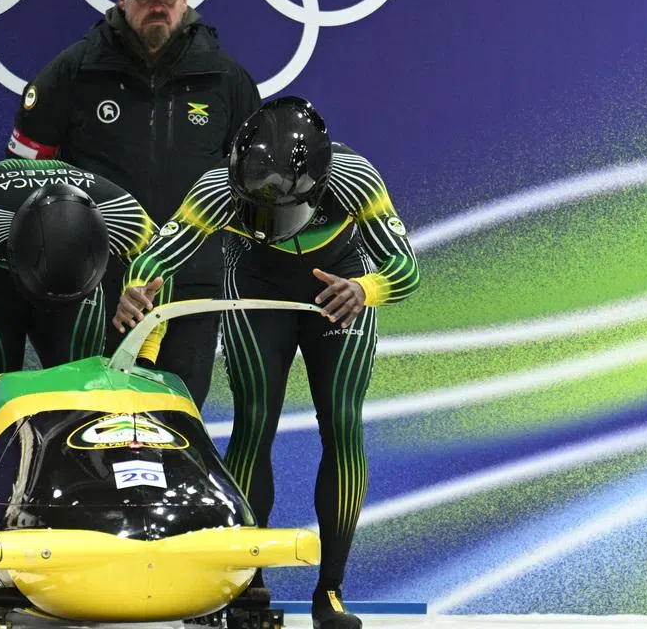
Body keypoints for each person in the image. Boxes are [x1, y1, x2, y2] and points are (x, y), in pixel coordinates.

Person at [113, 97, 420, 629]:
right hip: (257, 288)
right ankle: (247, 583)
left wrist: (364, 289)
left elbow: (406, 267)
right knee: (255, 425)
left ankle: (331, 591)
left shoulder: (356, 180)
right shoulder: (214, 189)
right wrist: (137, 287)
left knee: (343, 425)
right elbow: (155, 254)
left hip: (338, 290)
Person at [3, 0, 262, 409]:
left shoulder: (226, 79)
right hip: (92, 285)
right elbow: (20, 173)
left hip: (190, 288)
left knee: (176, 421)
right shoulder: (75, 70)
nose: (157, 7)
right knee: (90, 425)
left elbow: (251, 187)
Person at [0, 159, 158, 421]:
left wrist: (147, 357)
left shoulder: (124, 217)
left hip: (73, 291)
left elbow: (159, 269)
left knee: (82, 386)